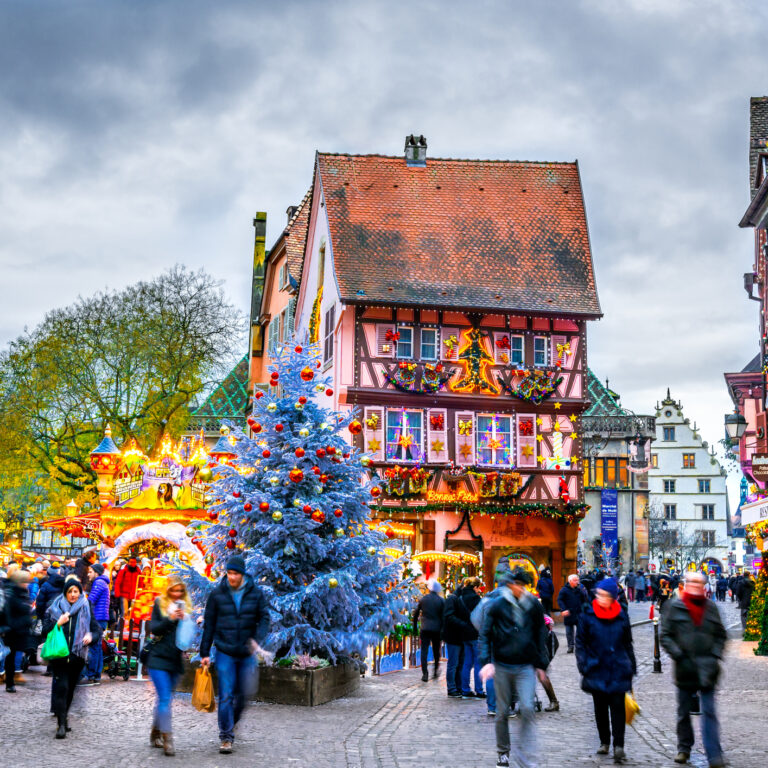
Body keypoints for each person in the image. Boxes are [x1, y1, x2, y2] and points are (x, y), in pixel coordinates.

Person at [479, 568, 549, 768]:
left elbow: (540, 633)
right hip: (502, 664)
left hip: (525, 665)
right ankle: (503, 753)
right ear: (509, 585)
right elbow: (485, 633)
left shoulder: (533, 605)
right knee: (502, 712)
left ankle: (524, 753)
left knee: (527, 708)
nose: (519, 588)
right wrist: (486, 661)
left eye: (522, 585)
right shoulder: (497, 605)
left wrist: (541, 664)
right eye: (515, 584)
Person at [200, 555, 269, 755]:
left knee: (244, 695)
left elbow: (264, 617)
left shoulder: (255, 594)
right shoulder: (217, 595)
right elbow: (209, 624)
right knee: (226, 694)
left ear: (243, 574)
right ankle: (226, 736)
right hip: (225, 651)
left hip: (247, 651)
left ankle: (232, 722)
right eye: (229, 573)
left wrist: (257, 638)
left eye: (235, 573)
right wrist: (205, 652)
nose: (231, 577)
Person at [661, 572, 727, 767]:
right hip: (685, 667)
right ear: (685, 585)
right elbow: (665, 635)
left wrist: (715, 653)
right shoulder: (675, 607)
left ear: (704, 586)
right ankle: (684, 748)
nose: (696, 585)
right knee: (683, 712)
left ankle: (714, 753)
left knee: (709, 712)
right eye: (692, 582)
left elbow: (721, 635)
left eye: (699, 583)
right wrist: (678, 654)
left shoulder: (711, 607)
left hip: (708, 668)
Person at [576, 577, 636, 764]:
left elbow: (627, 642)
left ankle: (619, 746)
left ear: (612, 597)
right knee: (600, 708)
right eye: (598, 594)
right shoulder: (588, 615)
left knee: (618, 708)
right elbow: (581, 643)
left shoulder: (622, 615)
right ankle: (604, 741)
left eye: (604, 595)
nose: (600, 598)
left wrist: (631, 665)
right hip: (596, 667)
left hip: (618, 666)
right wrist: (584, 665)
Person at [43, 577, 102, 738]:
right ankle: (61, 725)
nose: (73, 594)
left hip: (78, 656)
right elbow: (44, 630)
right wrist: (58, 624)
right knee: (62, 688)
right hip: (59, 656)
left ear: (80, 592)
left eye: (76, 591)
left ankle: (64, 717)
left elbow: (96, 630)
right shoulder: (55, 607)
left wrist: (91, 636)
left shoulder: (86, 606)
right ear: (65, 593)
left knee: (69, 690)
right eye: (70, 591)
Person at [147, 576, 192, 756]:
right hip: (157, 658)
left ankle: (155, 730)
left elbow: (186, 636)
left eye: (180, 591)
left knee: (164, 699)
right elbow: (154, 628)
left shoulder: (185, 606)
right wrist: (171, 618)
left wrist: (188, 621)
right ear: (168, 590)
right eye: (173, 590)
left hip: (175, 661)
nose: (176, 594)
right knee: (165, 698)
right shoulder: (160, 603)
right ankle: (168, 739)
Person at [2, 569, 33, 693]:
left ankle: (13, 678)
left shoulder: (23, 593)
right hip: (13, 630)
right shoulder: (13, 594)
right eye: (25, 581)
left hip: (20, 630)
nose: (27, 583)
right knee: (10, 656)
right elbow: (9, 613)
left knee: (15, 655)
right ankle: (10, 681)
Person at [442, 580, 472, 698]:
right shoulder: (452, 599)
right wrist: (463, 624)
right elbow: (449, 616)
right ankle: (452, 688)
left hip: (461, 636)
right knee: (453, 663)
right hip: (453, 636)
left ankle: (458, 687)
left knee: (460, 663)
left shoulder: (460, 599)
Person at [82, 564, 110, 684]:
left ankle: (92, 675)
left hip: (97, 619)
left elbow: (91, 600)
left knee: (93, 647)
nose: (88, 574)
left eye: (90, 572)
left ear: (97, 573)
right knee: (97, 647)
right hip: (101, 619)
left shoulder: (98, 583)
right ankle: (96, 675)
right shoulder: (102, 583)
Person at [412, 579, 444, 682]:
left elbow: (416, 614)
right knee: (436, 650)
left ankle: (425, 673)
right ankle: (435, 671)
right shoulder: (441, 600)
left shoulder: (424, 599)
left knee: (424, 651)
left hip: (425, 628)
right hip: (437, 629)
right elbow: (444, 616)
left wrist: (415, 627)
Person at [459, 576, 484, 698]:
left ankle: (465, 690)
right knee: (478, 662)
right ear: (475, 587)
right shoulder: (476, 599)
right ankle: (479, 690)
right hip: (475, 633)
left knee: (467, 663)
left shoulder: (461, 597)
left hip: (464, 633)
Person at [557, 574, 588, 653]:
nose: (577, 582)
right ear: (570, 581)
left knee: (580, 631)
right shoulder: (564, 590)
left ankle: (579, 646)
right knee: (569, 632)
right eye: (575, 580)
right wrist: (563, 609)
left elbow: (584, 600)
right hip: (569, 613)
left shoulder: (580, 589)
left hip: (579, 613)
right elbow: (560, 600)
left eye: (577, 580)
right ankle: (570, 646)